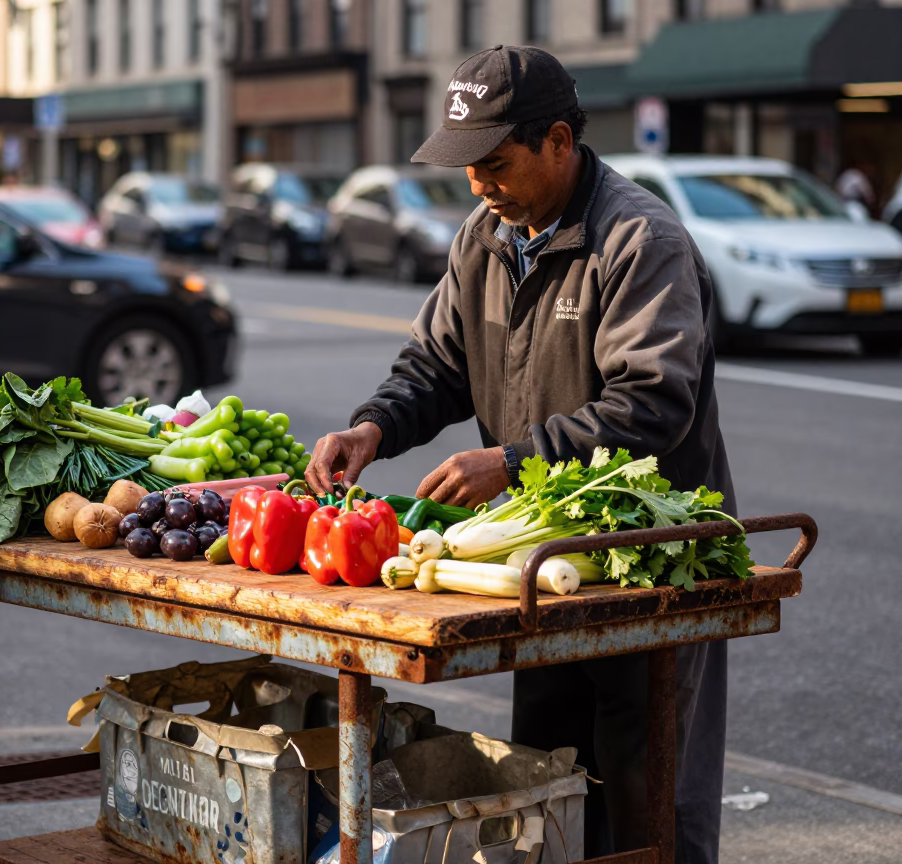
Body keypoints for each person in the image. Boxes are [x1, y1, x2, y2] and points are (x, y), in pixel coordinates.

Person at [304, 45, 733, 863]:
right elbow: (434, 368)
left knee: (650, 803)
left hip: (645, 571)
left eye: (495, 164)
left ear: (561, 143)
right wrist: (374, 429)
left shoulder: (642, 240)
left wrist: (510, 460)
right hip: (546, 565)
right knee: (551, 786)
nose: (477, 185)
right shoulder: (486, 236)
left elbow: (653, 402)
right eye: (467, 168)